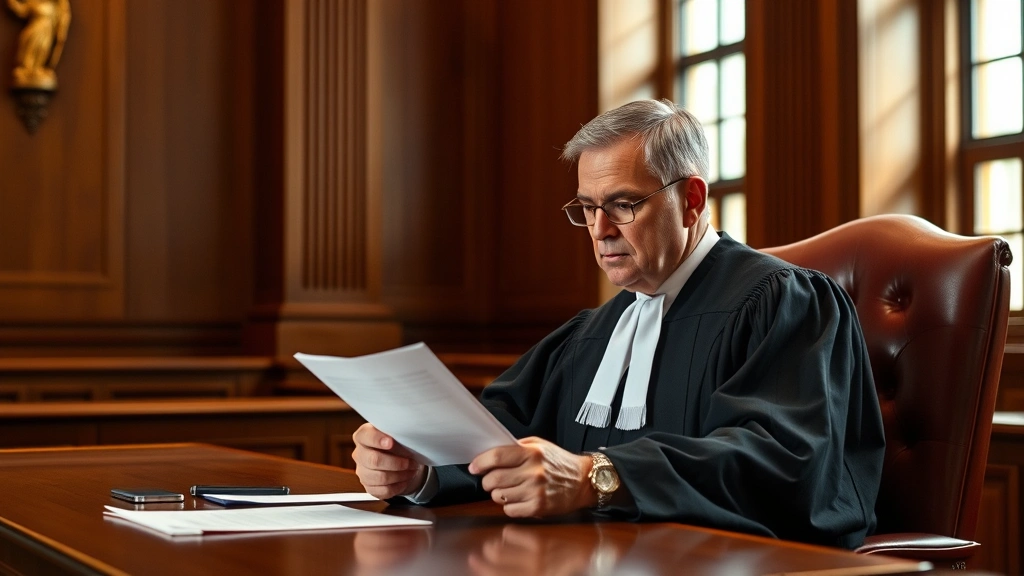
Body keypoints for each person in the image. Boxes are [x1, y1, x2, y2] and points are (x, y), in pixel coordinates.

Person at [352, 99, 885, 549]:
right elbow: (498, 430)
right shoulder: (593, 332)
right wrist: (419, 469)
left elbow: (782, 463)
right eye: (586, 208)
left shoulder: (784, 302)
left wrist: (596, 477)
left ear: (691, 200)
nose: (600, 230)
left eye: (623, 205)